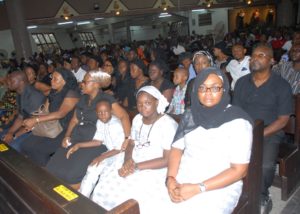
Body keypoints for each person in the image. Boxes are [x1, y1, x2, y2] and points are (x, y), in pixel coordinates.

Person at [163, 67, 253, 213]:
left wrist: (199, 188)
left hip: (220, 183)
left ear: (224, 90)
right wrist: (171, 179)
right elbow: (176, 149)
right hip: (185, 173)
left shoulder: (238, 121)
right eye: (202, 88)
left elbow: (239, 170)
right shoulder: (190, 115)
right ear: (196, 91)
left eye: (215, 88)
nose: (208, 93)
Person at [90, 86, 178, 213]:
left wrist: (135, 167)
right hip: (134, 158)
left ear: (157, 102)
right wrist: (127, 160)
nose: (143, 107)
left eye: (147, 103)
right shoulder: (137, 119)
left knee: (133, 192)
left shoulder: (168, 125)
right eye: (139, 103)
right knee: (108, 185)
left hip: (155, 164)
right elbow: (131, 142)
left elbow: (166, 160)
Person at [233, 44, 293, 214]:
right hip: (245, 129)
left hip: (270, 132)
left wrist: (257, 135)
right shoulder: (241, 83)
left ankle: (262, 195)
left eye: (261, 55)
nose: (254, 58)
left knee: (265, 165)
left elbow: (283, 120)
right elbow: (236, 113)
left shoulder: (281, 86)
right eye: (253, 56)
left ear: (272, 61)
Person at [46, 70, 131, 188]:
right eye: (82, 82)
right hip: (76, 137)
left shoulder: (105, 99)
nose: (82, 84)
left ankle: (73, 201)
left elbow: (124, 116)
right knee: (51, 167)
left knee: (71, 174)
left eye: (85, 82)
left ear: (96, 84)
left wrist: (127, 138)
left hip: (94, 142)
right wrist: (67, 135)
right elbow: (74, 120)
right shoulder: (83, 98)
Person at [21, 67, 80, 166]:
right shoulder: (53, 92)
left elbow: (61, 114)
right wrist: (34, 124)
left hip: (66, 128)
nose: (52, 81)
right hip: (52, 126)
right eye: (52, 78)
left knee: (40, 150)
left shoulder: (72, 93)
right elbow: (45, 111)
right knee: (26, 145)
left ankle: (47, 174)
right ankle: (34, 169)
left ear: (64, 82)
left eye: (56, 79)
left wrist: (36, 120)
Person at [79, 100, 125, 197]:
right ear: (96, 113)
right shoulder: (100, 122)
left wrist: (101, 157)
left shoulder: (116, 125)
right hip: (111, 153)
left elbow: (119, 148)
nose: (103, 115)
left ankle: (97, 199)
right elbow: (97, 141)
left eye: (105, 112)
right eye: (99, 112)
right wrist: (78, 145)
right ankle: (83, 196)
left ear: (111, 111)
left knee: (107, 176)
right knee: (92, 168)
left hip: (121, 155)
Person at [0, 71, 45, 151]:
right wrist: (10, 133)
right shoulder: (19, 93)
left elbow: (33, 124)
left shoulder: (34, 96)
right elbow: (20, 116)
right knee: (3, 137)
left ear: (21, 82)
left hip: (36, 129)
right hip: (25, 125)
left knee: (12, 147)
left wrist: (14, 136)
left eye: (12, 81)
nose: (8, 82)